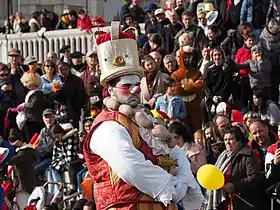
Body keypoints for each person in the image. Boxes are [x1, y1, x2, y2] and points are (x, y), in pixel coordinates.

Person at [83, 22, 204, 210]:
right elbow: (129, 165)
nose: (134, 89)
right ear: (109, 89)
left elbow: (176, 152)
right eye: (126, 85)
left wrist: (183, 180)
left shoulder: (146, 119)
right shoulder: (107, 126)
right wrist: (170, 186)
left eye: (136, 84)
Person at [206, 126, 263, 210]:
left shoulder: (247, 155)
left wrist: (234, 186)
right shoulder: (223, 156)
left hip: (243, 202)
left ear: (239, 140)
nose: (227, 142)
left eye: (231, 139)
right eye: (225, 140)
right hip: (225, 202)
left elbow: (255, 177)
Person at [8, 129, 37, 210]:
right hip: (22, 184)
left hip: (24, 185)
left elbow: (10, 161)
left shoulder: (25, 152)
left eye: (14, 141)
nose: (13, 143)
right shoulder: (23, 151)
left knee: (24, 206)